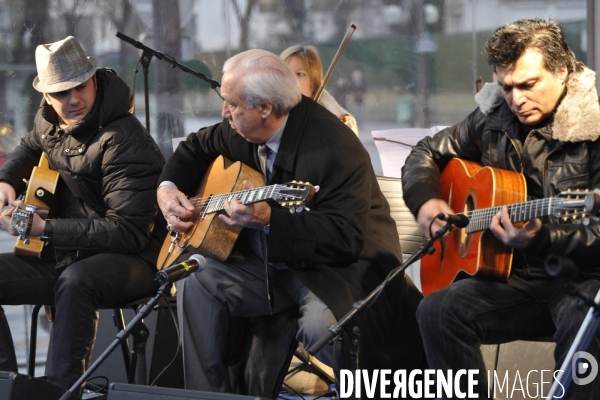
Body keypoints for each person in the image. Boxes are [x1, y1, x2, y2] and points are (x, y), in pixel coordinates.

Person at [158, 49, 425, 397]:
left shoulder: (333, 146)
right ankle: (209, 394)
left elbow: (346, 237)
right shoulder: (241, 128)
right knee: (198, 280)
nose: (225, 113)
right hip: (269, 263)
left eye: (232, 105)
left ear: (265, 108)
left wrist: (270, 219)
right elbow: (194, 147)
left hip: (335, 270)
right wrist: (167, 190)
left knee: (323, 328)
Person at [401, 19, 600, 398]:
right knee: (437, 311)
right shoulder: (494, 117)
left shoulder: (595, 130)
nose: (516, 99)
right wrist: (427, 201)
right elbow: (426, 152)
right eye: (506, 87)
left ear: (562, 71)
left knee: (586, 323)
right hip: (511, 277)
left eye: (527, 85)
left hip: (582, 279)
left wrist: (543, 237)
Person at [0, 36, 165, 392]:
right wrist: (6, 179)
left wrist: (47, 228)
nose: (73, 100)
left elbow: (130, 232)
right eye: (60, 93)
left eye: (80, 87)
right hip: (70, 252)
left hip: (137, 259)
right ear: (45, 96)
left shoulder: (124, 138)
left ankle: (62, 392)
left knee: (77, 281)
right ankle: (6, 387)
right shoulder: (50, 123)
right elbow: (30, 145)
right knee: (69, 275)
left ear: (94, 80)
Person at [280, 44, 358, 135]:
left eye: (300, 74)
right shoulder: (269, 113)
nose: (292, 79)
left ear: (313, 82)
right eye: (286, 73)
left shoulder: (333, 121)